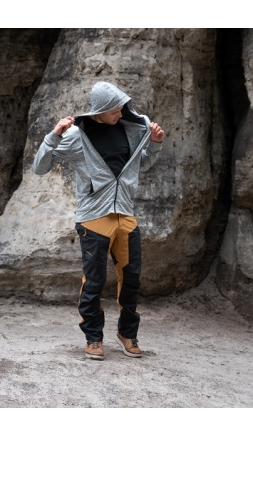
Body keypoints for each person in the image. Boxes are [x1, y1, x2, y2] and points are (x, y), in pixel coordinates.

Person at [32, 81, 165, 360]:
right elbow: (40, 167)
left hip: (125, 216)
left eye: (123, 107)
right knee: (94, 282)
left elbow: (141, 165)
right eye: (115, 109)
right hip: (94, 219)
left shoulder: (130, 129)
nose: (121, 113)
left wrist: (155, 144)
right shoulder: (77, 136)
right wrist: (53, 135)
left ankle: (127, 334)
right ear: (100, 111)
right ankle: (93, 338)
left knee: (131, 280)